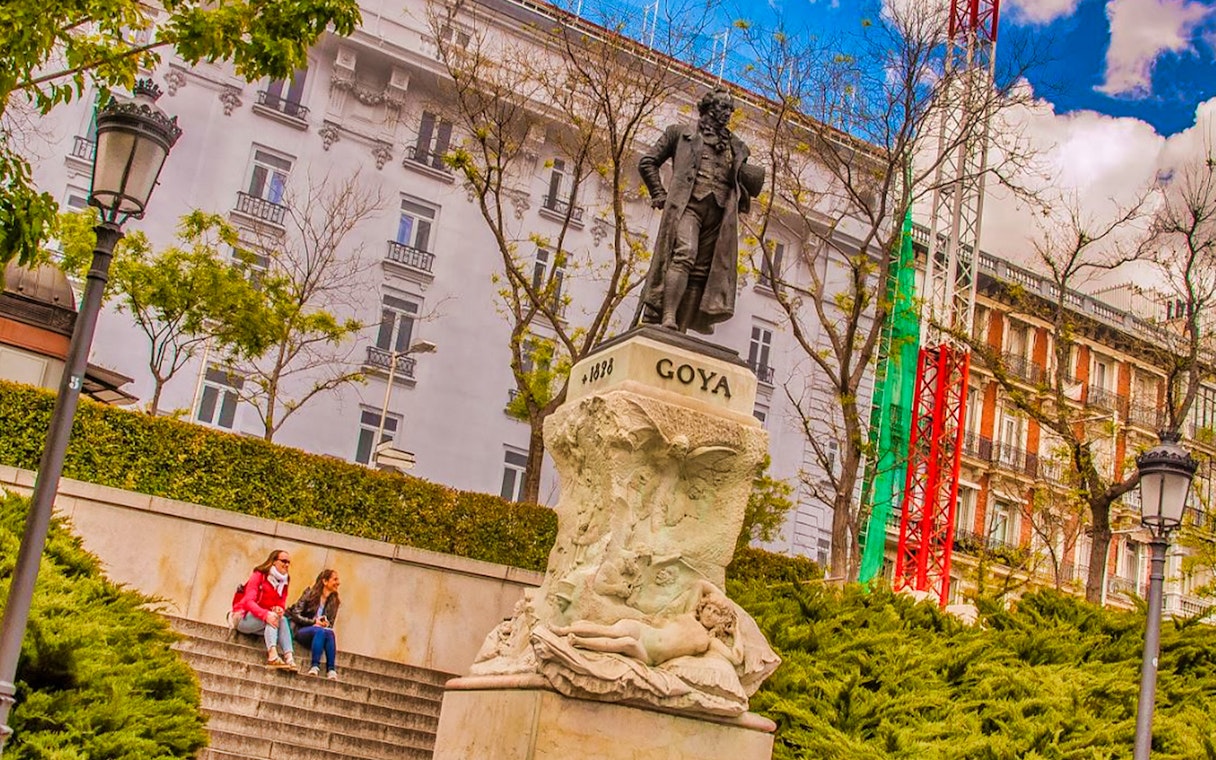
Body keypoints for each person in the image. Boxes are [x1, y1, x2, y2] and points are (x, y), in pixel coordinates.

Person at [637, 88, 764, 334]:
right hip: (688, 207)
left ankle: (682, 329)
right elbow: (648, 162)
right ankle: (669, 317)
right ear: (708, 107)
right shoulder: (679, 133)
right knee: (684, 254)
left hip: (718, 215)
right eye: (723, 107)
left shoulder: (737, 147)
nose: (728, 113)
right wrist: (658, 193)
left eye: (730, 109)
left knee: (701, 272)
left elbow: (743, 184)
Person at [231, 548, 297, 669]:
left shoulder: (284, 582)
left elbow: (281, 603)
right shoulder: (259, 575)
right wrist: (266, 614)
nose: (287, 565)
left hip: (264, 620)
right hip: (242, 617)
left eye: (288, 562)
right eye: (284, 561)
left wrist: (279, 609)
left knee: (281, 619)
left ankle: (289, 658)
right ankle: (272, 656)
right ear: (273, 562)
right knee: (273, 617)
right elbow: (248, 602)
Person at [288, 569, 342, 679]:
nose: (338, 583)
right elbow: (295, 614)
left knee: (330, 633)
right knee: (320, 631)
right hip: (302, 630)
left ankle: (331, 669)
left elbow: (330, 624)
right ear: (325, 581)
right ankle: (315, 666)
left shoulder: (334, 601)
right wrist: (314, 622)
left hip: (319, 634)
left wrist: (325, 623)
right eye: (335, 579)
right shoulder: (309, 593)